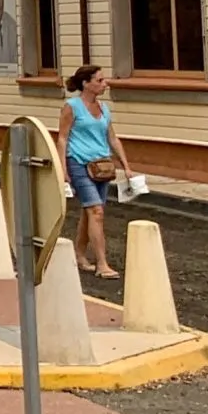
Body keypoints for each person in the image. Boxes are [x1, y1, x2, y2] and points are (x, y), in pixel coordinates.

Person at [55, 64, 127, 278]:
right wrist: (63, 168)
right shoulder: (72, 107)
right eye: (100, 80)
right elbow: (62, 138)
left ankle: (79, 254)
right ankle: (102, 264)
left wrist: (126, 165)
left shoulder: (104, 109)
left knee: (91, 214)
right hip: (78, 163)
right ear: (86, 84)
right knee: (96, 211)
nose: (105, 84)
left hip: (101, 166)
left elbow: (112, 138)